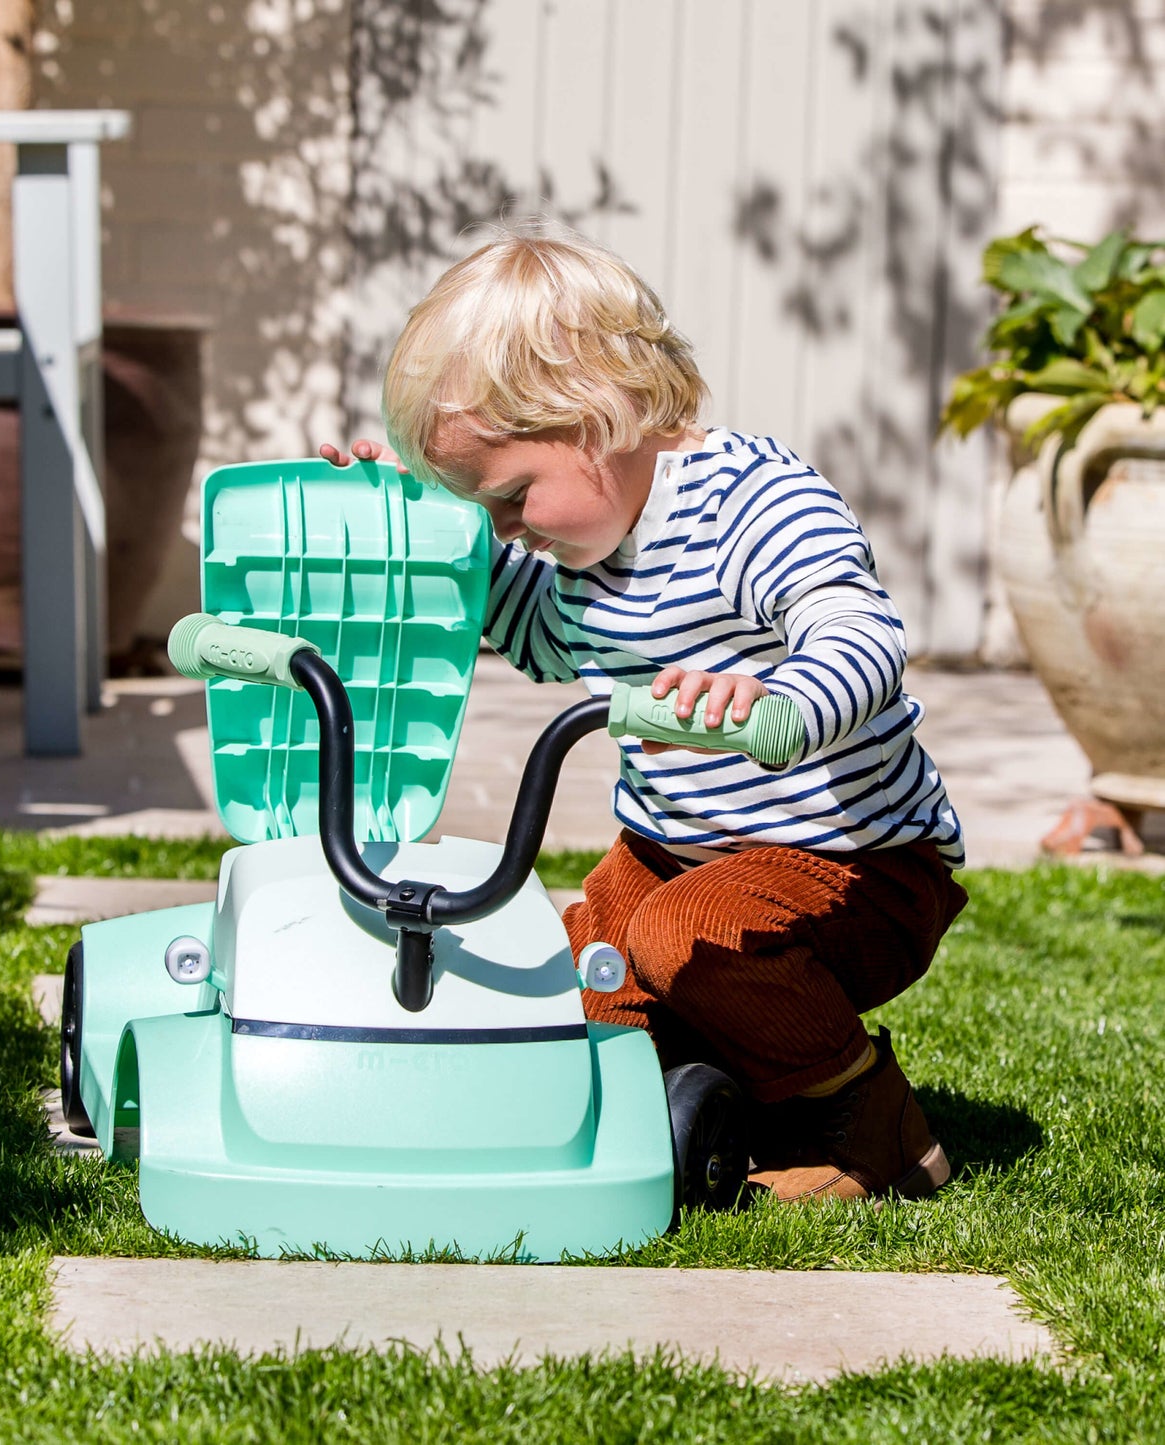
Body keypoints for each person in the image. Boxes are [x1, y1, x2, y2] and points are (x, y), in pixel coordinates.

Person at [320, 227, 967, 1204]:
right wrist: (422, 538)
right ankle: (655, 1112)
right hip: (674, 848)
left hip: (854, 865)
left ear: (598, 415)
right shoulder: (589, 550)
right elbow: (537, 633)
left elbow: (860, 629)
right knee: (582, 964)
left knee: (684, 935)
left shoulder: (752, 502)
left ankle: (871, 1122)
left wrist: (785, 700)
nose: (505, 529)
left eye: (511, 497)